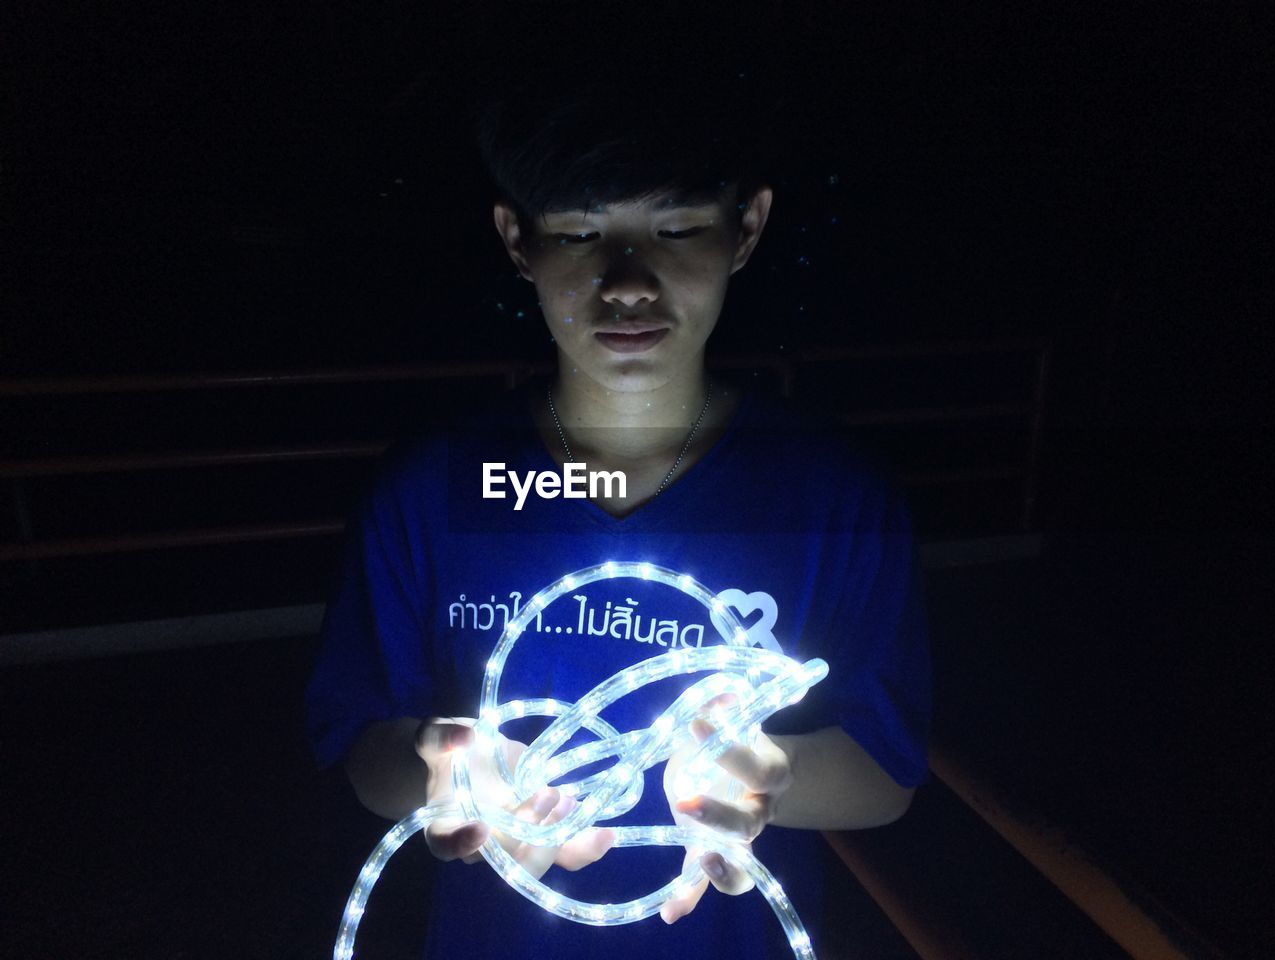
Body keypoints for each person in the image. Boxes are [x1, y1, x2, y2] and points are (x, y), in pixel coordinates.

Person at [306, 68, 931, 959]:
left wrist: (772, 782)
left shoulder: (833, 496)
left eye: (676, 228)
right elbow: (364, 748)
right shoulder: (433, 486)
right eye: (579, 232)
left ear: (745, 228)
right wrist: (444, 766)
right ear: (517, 239)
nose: (627, 282)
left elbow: (887, 773)